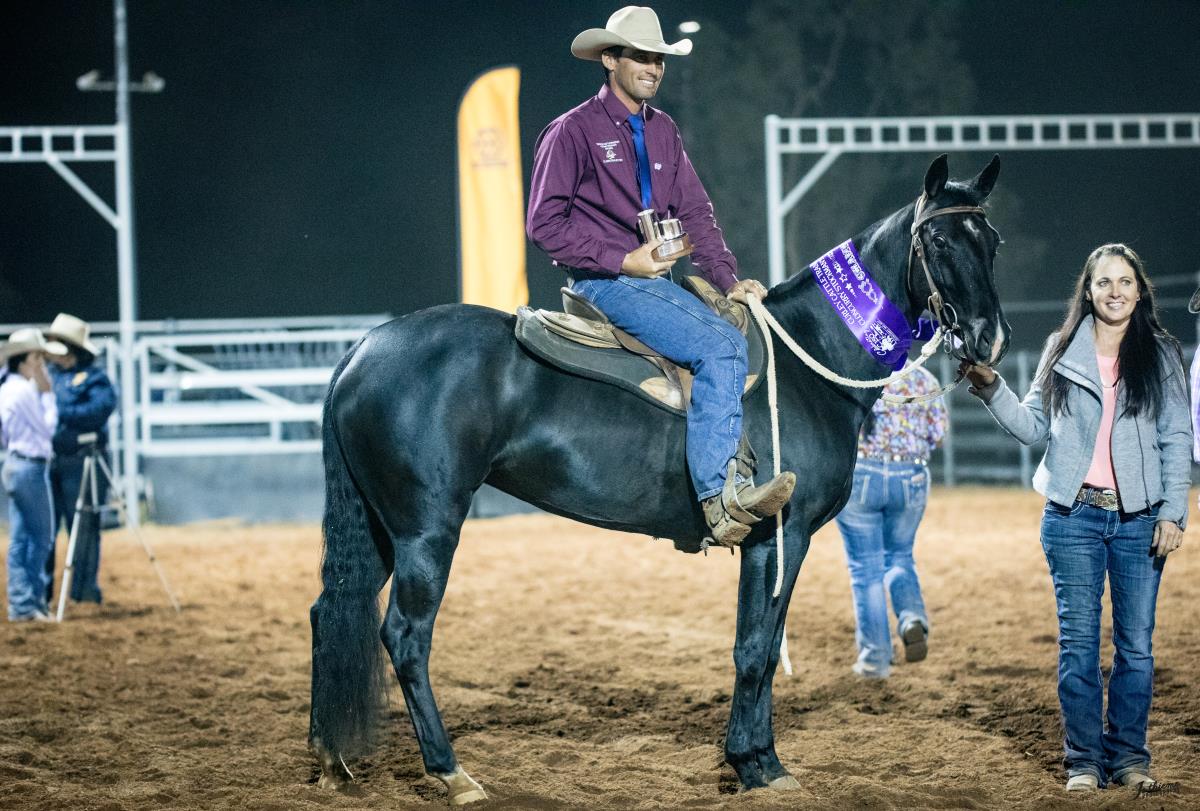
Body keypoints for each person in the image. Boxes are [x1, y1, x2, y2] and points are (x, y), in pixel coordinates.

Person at [526, 6, 794, 546]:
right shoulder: (572, 130)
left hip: (655, 284)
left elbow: (695, 213)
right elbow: (543, 224)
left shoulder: (664, 129)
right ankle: (721, 498)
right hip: (606, 283)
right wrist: (623, 259)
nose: (654, 68)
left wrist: (727, 279)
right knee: (722, 346)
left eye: (659, 59)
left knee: (736, 327)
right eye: (641, 57)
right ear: (610, 59)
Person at [960, 244, 1190, 792]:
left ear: (1140, 291)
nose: (1115, 292)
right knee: (1079, 646)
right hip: (1072, 518)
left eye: (1125, 282)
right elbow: (1033, 426)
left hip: (1139, 521)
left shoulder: (1161, 353)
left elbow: (1177, 436)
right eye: (1104, 282)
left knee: (1136, 647)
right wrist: (992, 388)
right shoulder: (1060, 349)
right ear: (1087, 291)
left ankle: (1129, 759)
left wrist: (1173, 512)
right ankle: (1084, 761)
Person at [835, 367, 947, 679]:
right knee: (899, 556)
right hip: (910, 476)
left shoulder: (856, 374)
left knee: (866, 571)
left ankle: (875, 660)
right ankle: (911, 617)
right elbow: (938, 435)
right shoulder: (924, 378)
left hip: (862, 477)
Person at [44, 313, 116, 605]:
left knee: (84, 526)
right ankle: (44, 591)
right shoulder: (50, 376)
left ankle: (84, 589)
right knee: (47, 527)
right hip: (52, 459)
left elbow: (98, 411)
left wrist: (56, 411)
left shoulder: (94, 379)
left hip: (83, 459)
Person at [1, 329, 67, 622]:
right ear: (25, 359)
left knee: (21, 537)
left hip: (16, 462)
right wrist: (49, 394)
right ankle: (29, 602)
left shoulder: (7, 388)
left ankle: (22, 603)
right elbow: (47, 427)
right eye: (37, 357)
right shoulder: (23, 391)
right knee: (41, 537)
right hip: (30, 467)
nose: (41, 363)